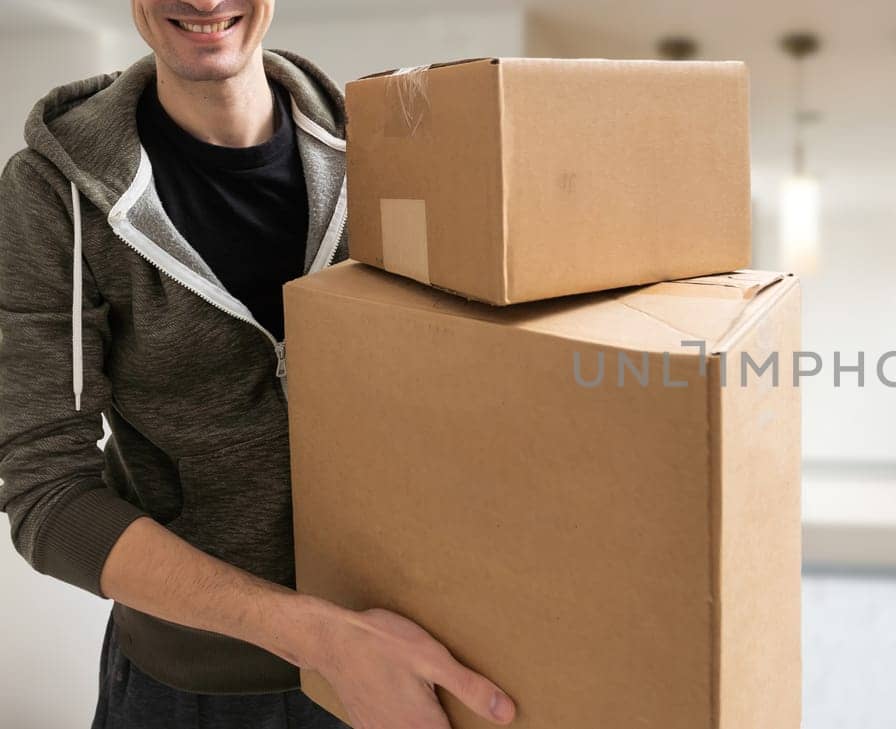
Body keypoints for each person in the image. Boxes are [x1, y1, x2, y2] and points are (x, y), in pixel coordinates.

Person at [0, 2, 517, 727]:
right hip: (190, 689)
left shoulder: (383, 150)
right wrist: (322, 638)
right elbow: (46, 494)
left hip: (402, 666)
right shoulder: (54, 192)